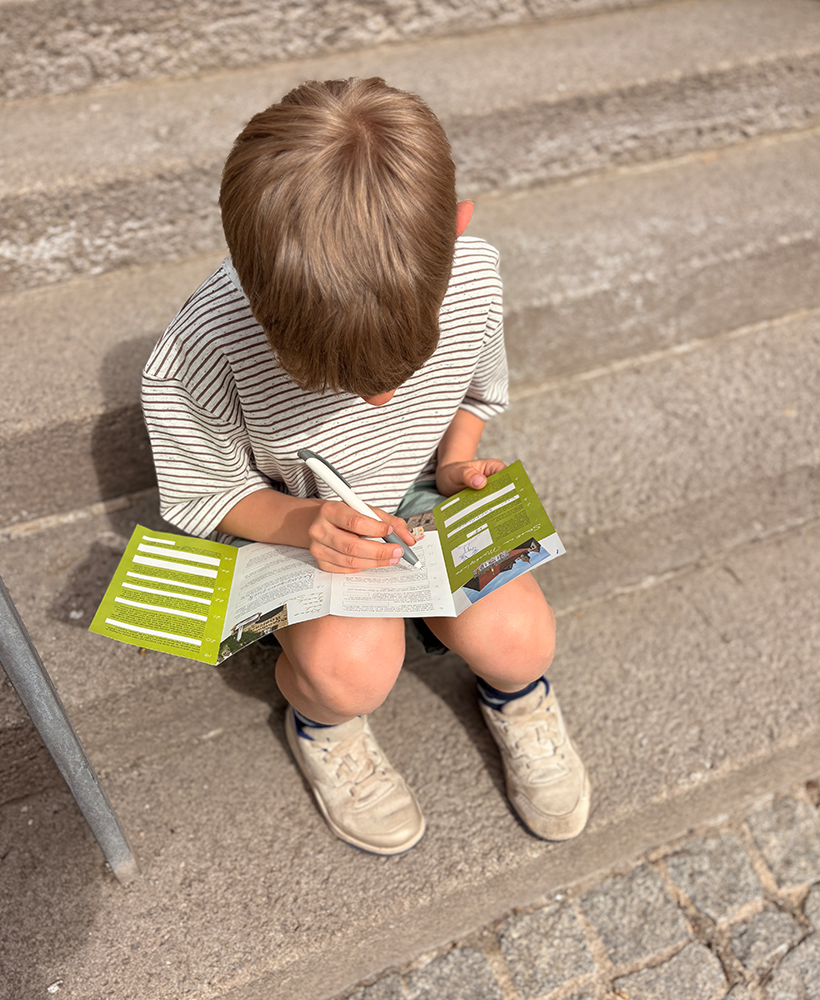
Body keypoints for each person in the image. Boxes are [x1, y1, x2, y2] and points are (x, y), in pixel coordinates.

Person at [142, 77, 590, 854]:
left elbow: (476, 393)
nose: (382, 401)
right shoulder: (201, 348)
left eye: (403, 371)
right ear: (253, 289)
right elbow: (208, 493)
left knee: (523, 639)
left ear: (456, 233)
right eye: (338, 380)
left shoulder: (474, 277)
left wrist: (454, 466)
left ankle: (519, 701)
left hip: (419, 497)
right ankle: (321, 724)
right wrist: (301, 522)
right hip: (291, 519)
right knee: (352, 668)